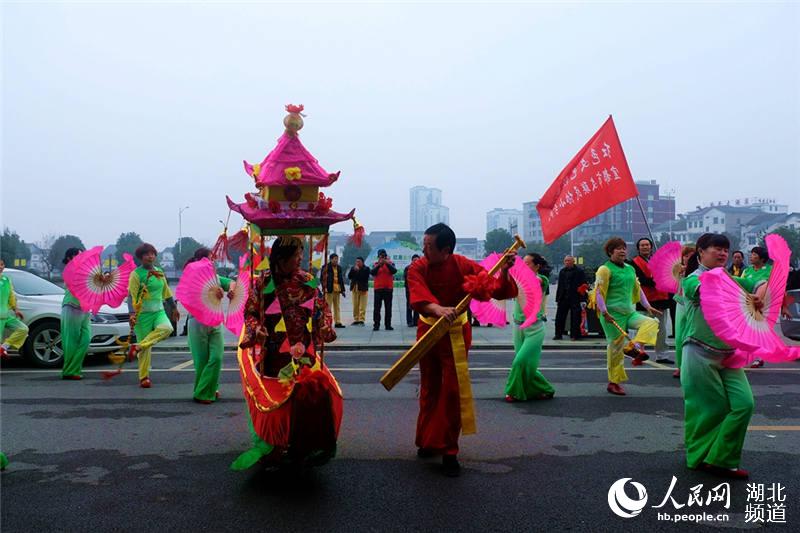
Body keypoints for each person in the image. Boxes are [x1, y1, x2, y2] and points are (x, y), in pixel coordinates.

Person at [406, 223, 517, 476]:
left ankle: (449, 450)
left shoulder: (462, 265)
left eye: (429, 246)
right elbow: (419, 297)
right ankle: (427, 440)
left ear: (446, 250)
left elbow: (494, 288)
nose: (424, 249)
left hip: (456, 333)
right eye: (423, 244)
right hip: (428, 332)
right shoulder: (418, 266)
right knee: (429, 387)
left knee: (453, 391)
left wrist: (505, 272)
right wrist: (438, 309)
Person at [232, 236, 342, 470]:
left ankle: (303, 444)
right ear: (281, 258)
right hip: (274, 354)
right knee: (276, 401)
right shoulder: (263, 283)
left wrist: (324, 325)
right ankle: (272, 445)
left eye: (302, 253)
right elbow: (250, 314)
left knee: (304, 399)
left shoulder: (308, 281)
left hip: (303, 351)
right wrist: (257, 330)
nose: (300, 258)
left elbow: (322, 309)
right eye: (296, 255)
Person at [681, 233, 766, 479]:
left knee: (744, 404)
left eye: (725, 250)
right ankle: (699, 458)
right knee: (712, 408)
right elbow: (709, 291)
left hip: (729, 355)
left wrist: (759, 292)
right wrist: (743, 296)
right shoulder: (691, 280)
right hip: (699, 352)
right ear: (701, 252)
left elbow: (759, 282)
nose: (722, 254)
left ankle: (720, 458)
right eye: (716, 249)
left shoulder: (730, 278)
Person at [593, 237, 661, 396]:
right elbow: (598, 292)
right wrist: (604, 312)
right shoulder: (605, 269)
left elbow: (638, 289)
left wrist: (647, 306)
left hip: (629, 312)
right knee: (615, 349)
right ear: (611, 252)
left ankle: (633, 347)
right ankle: (613, 382)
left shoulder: (630, 269)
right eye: (618, 248)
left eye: (624, 248)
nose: (623, 250)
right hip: (611, 314)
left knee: (651, 323)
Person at [181, 247, 235, 404]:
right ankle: (205, 392)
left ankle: (205, 390)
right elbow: (189, 296)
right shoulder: (191, 278)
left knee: (217, 357)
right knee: (202, 361)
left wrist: (230, 291)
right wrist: (211, 292)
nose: (213, 261)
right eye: (210, 258)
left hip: (215, 323)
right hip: (197, 323)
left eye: (213, 258)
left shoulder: (216, 278)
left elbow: (231, 282)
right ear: (200, 262)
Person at [505, 253, 555, 402]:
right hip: (518, 327)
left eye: (527, 264)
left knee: (519, 362)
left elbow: (533, 280)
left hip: (535, 328)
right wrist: (505, 267)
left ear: (537, 266)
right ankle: (545, 389)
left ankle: (512, 391)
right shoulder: (516, 280)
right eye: (523, 263)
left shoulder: (542, 280)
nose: (523, 266)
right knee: (526, 365)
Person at [127, 243, 179, 388]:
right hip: (142, 314)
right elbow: (131, 296)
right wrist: (131, 314)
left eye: (152, 254)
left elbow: (166, 292)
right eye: (147, 254)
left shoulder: (159, 271)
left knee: (167, 329)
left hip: (158, 311)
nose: (150, 256)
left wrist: (174, 307)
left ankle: (137, 347)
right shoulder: (136, 274)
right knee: (146, 349)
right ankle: (144, 377)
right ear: (141, 257)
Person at [629, 237, 674, 364]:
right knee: (643, 329)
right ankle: (638, 353)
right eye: (642, 245)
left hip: (661, 299)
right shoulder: (633, 263)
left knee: (662, 330)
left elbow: (668, 275)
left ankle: (662, 355)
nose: (645, 247)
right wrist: (658, 279)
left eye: (647, 245)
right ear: (638, 248)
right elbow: (642, 280)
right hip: (645, 301)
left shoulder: (659, 261)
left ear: (651, 246)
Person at [60, 248, 92, 380]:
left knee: (85, 339)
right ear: (69, 257)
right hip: (72, 307)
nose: (82, 257)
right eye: (78, 255)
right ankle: (69, 371)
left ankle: (73, 369)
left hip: (84, 308)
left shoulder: (85, 271)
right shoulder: (70, 270)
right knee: (71, 341)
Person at [742, 246, 772, 368]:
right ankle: (751, 355)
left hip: (763, 305)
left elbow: (777, 288)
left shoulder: (770, 270)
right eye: (751, 254)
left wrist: (784, 307)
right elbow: (742, 285)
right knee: (749, 331)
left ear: (762, 258)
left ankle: (759, 357)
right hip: (748, 304)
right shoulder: (747, 271)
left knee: (758, 330)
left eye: (754, 254)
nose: (751, 256)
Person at [672, 244, 696, 380]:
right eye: (686, 256)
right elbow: (673, 285)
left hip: (694, 306)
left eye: (691, 255)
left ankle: (693, 366)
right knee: (679, 336)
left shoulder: (700, 272)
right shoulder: (679, 270)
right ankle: (680, 366)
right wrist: (679, 274)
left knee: (694, 337)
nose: (688, 258)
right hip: (681, 304)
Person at [0, 258, 29, 361]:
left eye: (2, 264)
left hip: (6, 315)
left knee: (23, 329)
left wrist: (16, 309)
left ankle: (3, 347)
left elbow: (11, 296)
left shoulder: (6, 280)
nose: (0, 267)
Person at [554, 255, 586, 340]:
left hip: (575, 297)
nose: (567, 262)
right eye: (565, 261)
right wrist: (558, 298)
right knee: (559, 317)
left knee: (576, 317)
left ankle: (575, 335)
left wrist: (582, 299)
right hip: (563, 297)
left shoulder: (579, 271)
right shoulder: (562, 271)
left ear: (573, 261)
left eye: (569, 261)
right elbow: (560, 286)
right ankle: (558, 334)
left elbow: (583, 285)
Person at [371, 248, 397, 331]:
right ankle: (376, 325)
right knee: (377, 308)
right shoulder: (375, 264)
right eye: (380, 256)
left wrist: (387, 263)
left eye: (383, 256)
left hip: (388, 289)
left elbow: (394, 271)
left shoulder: (391, 263)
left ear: (386, 257)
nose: (382, 258)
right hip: (378, 289)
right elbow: (372, 272)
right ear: (378, 257)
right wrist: (379, 264)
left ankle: (388, 325)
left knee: (388, 308)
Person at [321, 253, 346, 328]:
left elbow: (341, 279)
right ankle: (327, 321)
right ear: (331, 259)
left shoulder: (339, 268)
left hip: (337, 289)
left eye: (337, 259)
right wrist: (324, 287)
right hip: (329, 289)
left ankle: (337, 322)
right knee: (328, 306)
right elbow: (322, 278)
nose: (336, 260)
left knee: (337, 306)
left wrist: (343, 290)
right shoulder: (326, 267)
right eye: (334, 259)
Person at [347, 256, 370, 325]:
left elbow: (364, 277)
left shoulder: (366, 269)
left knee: (362, 305)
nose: (357, 263)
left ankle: (361, 319)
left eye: (359, 262)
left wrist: (359, 271)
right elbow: (349, 276)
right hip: (355, 288)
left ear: (362, 262)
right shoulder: (353, 268)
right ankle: (356, 319)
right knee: (355, 305)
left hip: (363, 289)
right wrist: (353, 270)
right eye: (356, 261)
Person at [404, 254, 421, 327]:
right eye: (414, 260)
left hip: (418, 289)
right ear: (412, 261)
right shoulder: (407, 268)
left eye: (417, 260)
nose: (416, 261)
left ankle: (416, 321)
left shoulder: (421, 268)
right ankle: (409, 321)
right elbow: (406, 278)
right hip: (409, 289)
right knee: (409, 305)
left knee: (417, 305)